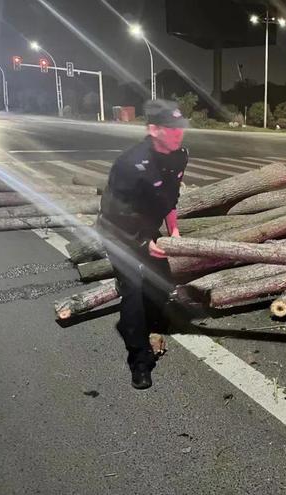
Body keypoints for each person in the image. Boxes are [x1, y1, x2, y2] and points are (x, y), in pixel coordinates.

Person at [97, 99, 189, 390]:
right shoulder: (129, 164)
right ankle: (139, 359)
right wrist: (143, 243)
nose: (178, 134)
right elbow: (115, 213)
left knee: (161, 280)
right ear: (153, 129)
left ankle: (154, 322)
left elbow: (169, 198)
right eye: (171, 129)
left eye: (180, 128)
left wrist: (173, 230)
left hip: (145, 228)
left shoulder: (179, 156)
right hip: (117, 232)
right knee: (134, 291)